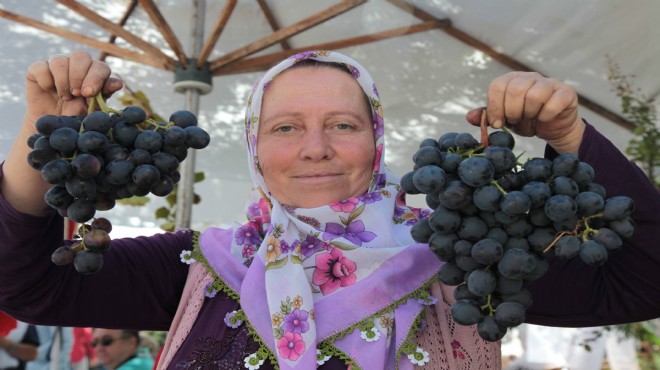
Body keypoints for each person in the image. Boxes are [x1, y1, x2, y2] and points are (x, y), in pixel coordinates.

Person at [0, 49, 658, 370]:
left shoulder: (468, 258)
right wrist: (42, 129)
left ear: (377, 140)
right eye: (285, 128)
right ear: (255, 146)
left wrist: (569, 134)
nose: (314, 148)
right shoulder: (199, 265)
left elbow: (645, 278)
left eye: (342, 124)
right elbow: (30, 285)